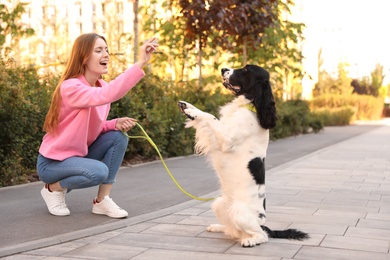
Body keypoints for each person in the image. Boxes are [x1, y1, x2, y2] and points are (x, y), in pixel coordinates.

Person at [37, 33, 158, 218]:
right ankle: (52, 188)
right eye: (99, 50)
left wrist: (113, 123)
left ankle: (102, 201)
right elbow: (109, 94)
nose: (106, 54)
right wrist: (140, 62)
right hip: (53, 164)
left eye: (107, 50)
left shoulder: (101, 87)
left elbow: (93, 127)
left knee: (118, 136)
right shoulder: (71, 87)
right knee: (99, 171)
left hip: (78, 157)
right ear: (84, 57)